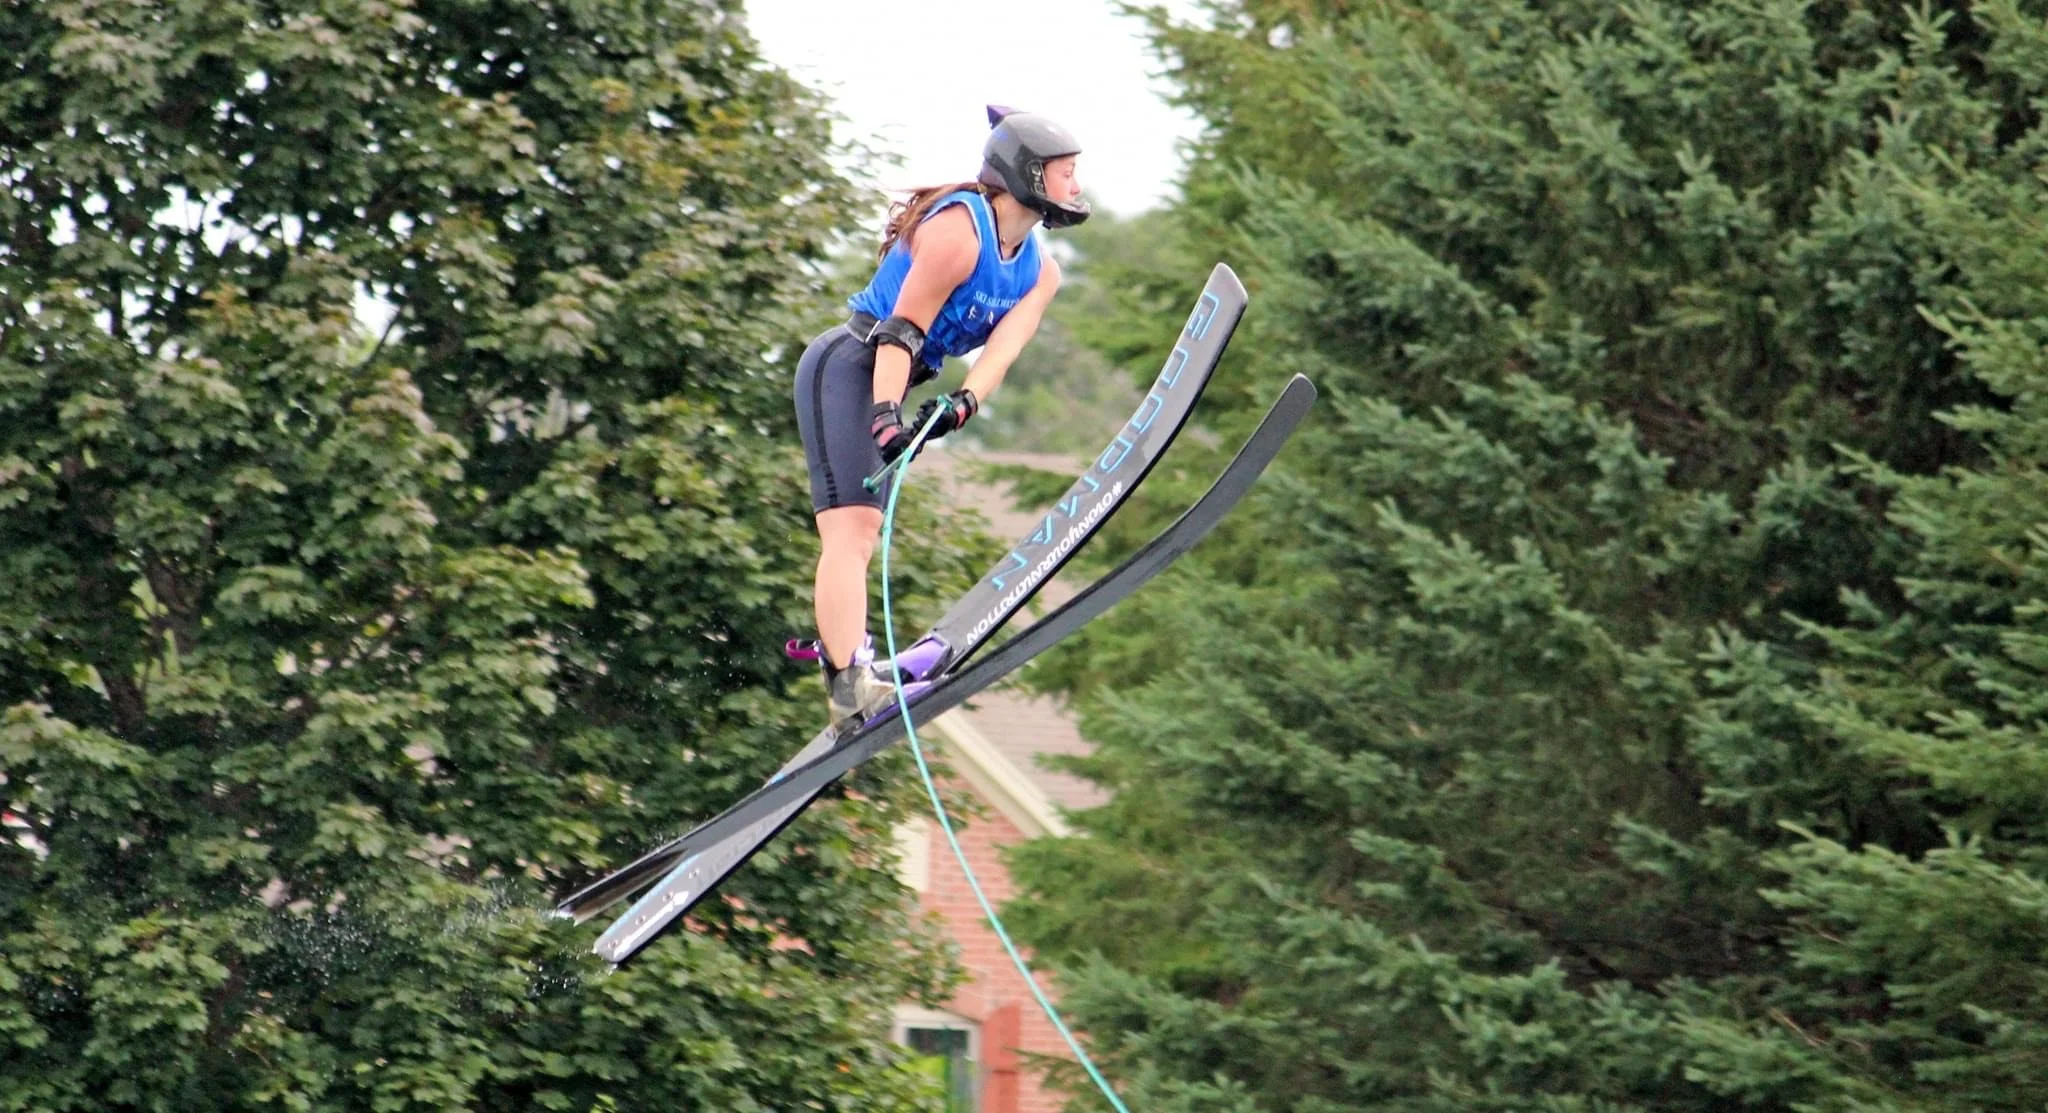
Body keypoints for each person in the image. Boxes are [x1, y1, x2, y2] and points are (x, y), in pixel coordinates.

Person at [793, 105, 1089, 723]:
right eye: (1067, 172)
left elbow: (1002, 350)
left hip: (894, 381)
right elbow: (900, 334)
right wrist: (883, 415)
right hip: (851, 366)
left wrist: (964, 403)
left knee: (861, 534)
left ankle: (849, 665)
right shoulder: (958, 232)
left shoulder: (1041, 271)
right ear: (1030, 174)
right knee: (851, 532)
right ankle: (849, 682)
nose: (1077, 186)